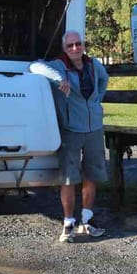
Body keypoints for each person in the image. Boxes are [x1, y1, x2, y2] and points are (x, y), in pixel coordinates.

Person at [30, 30, 109, 243]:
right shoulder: (59, 65)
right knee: (69, 178)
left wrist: (97, 100)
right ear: (65, 49)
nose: (75, 48)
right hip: (71, 130)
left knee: (92, 175)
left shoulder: (94, 65)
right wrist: (59, 79)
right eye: (70, 45)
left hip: (94, 129)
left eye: (78, 44)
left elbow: (104, 79)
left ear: (83, 45)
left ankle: (87, 221)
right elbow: (34, 66)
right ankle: (68, 223)